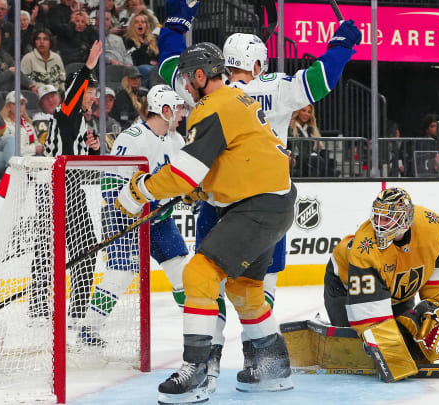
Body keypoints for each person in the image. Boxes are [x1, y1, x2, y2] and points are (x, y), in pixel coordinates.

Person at [156, 0, 360, 393]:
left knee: (207, 285)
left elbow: (169, 63)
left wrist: (178, 22)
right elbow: (320, 80)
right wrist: (342, 43)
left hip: (216, 202)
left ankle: (206, 365)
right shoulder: (274, 87)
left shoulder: (201, 88)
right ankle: (264, 366)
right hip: (264, 203)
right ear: (259, 65)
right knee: (257, 286)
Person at [116, 34, 296, 403]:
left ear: (200, 76)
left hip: (255, 207)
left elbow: (185, 172)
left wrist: (141, 190)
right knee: (244, 288)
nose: (182, 89)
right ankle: (273, 365)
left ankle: (195, 372)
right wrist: (196, 191)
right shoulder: (236, 99)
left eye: (184, 79)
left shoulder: (214, 105)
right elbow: (230, 162)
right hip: (274, 203)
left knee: (198, 273)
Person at [81, 84, 188, 346]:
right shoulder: (132, 138)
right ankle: (88, 329)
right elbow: (109, 187)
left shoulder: (177, 140)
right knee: (121, 275)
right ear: (164, 111)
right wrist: (133, 206)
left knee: (182, 273)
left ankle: (197, 328)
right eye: (178, 109)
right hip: (123, 217)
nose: (182, 115)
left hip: (159, 221)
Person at [323, 187, 439, 382]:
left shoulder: (432, 226)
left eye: (387, 218)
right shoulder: (365, 251)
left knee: (411, 339)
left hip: (396, 291)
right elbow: (370, 317)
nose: (379, 225)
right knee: (358, 348)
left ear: (406, 218)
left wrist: (433, 308)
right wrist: (394, 360)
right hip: (343, 286)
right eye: (377, 217)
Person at [38, 41, 102, 325]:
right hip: (55, 185)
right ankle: (41, 308)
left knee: (85, 247)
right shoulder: (66, 115)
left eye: (95, 92)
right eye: (90, 91)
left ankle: (75, 310)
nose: (93, 97)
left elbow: (89, 164)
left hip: (71, 185)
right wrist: (87, 67)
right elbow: (71, 95)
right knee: (50, 248)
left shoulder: (82, 123)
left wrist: (96, 148)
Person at [0, 24, 37, 93]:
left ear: (0, 39)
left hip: (11, 94)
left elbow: (18, 72)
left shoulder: (5, 55)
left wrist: (30, 85)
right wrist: (9, 72)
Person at [288, 104, 329, 177]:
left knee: (327, 160)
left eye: (309, 112)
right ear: (297, 112)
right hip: (297, 158)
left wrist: (314, 153)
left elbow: (317, 147)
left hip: (310, 158)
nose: (306, 114)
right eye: (303, 110)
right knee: (315, 161)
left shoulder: (311, 128)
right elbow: (289, 144)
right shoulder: (291, 127)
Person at [0, 90, 41, 156]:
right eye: (16, 103)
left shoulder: (28, 123)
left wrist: (40, 147)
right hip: (16, 160)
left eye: (22, 104)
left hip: (33, 156)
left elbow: (36, 141)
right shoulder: (3, 125)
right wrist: (34, 149)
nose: (20, 106)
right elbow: (14, 150)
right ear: (8, 106)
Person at [123, 9, 159, 86]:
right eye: (137, 22)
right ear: (132, 26)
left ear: (146, 25)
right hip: (138, 69)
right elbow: (135, 59)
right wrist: (144, 46)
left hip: (153, 68)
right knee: (147, 69)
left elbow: (157, 56)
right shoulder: (128, 40)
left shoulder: (152, 39)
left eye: (143, 22)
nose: (140, 24)